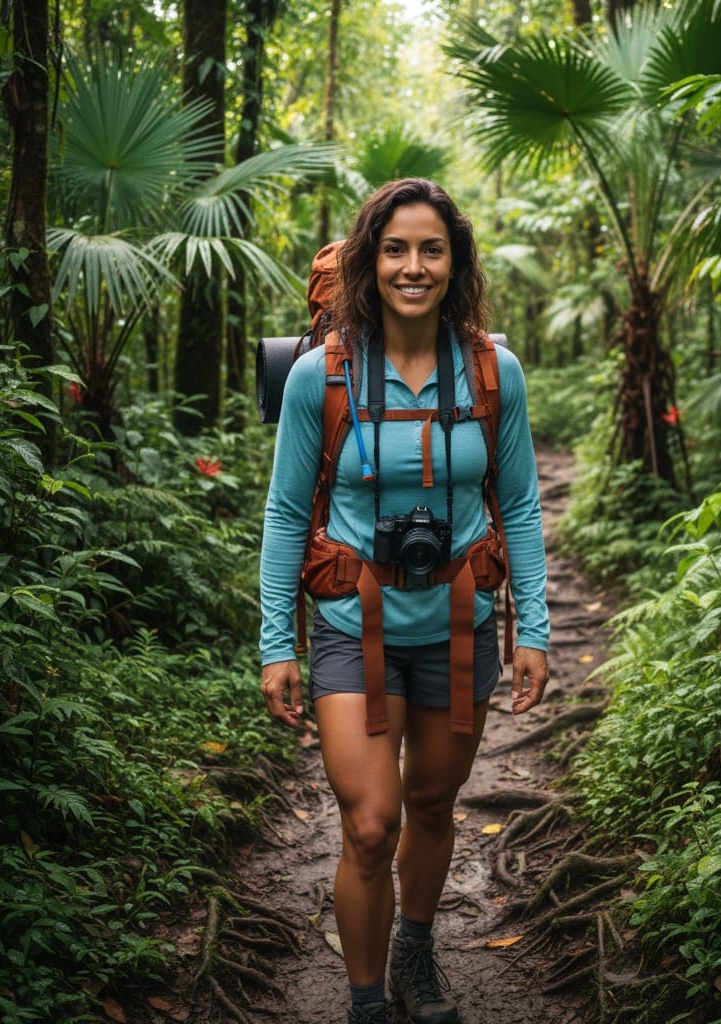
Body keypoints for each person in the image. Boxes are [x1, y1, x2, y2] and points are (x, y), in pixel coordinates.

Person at [259, 178, 550, 1024]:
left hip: (459, 624)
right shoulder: (321, 377)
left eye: (430, 249)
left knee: (430, 803)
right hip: (352, 624)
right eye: (395, 249)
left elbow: (520, 505)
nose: (412, 266)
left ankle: (415, 954)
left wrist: (534, 628)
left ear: (455, 262)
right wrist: (277, 643)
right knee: (371, 822)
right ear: (369, 261)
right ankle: (366, 1003)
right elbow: (286, 514)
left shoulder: (494, 371)